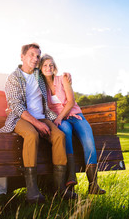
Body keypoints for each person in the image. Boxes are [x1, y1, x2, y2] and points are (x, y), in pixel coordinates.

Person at [0, 43, 77, 203]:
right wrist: (38, 124)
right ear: (22, 57)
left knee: (59, 136)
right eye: (32, 55)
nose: (35, 58)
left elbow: (52, 76)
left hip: (43, 116)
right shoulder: (13, 77)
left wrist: (66, 76)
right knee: (32, 134)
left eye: (38, 56)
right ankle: (32, 190)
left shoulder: (38, 75)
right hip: (21, 118)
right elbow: (16, 106)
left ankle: (60, 188)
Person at [39, 53, 106, 195]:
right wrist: (58, 119)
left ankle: (93, 184)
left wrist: (59, 117)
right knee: (65, 133)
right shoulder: (41, 85)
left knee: (89, 141)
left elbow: (70, 101)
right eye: (45, 65)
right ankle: (71, 176)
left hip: (75, 115)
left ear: (54, 67)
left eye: (51, 65)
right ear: (41, 68)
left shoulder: (63, 79)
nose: (48, 67)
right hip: (60, 119)